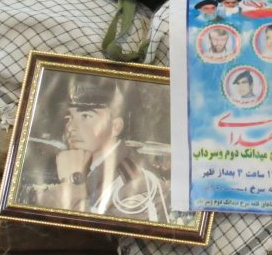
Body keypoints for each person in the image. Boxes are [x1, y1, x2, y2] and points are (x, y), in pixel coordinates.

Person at [31, 79, 170, 223]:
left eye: (86, 116)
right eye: (69, 117)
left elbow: (90, 233)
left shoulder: (137, 182)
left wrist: (73, 181)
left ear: (116, 127)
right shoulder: (79, 164)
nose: (71, 127)